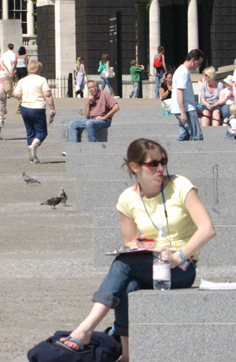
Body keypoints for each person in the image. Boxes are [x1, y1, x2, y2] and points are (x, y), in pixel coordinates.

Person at [55, 138, 215, 362]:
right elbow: (129, 241)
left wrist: (177, 257)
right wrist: (142, 244)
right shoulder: (128, 199)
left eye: (163, 162)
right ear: (134, 167)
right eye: (153, 164)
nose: (160, 168)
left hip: (181, 269)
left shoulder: (180, 186)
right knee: (127, 285)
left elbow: (208, 229)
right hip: (151, 264)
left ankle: (87, 327)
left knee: (123, 264)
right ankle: (128, 354)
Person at [13, 58, 56, 163]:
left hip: (25, 108)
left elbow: (16, 95)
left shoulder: (22, 80)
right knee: (42, 132)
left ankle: (33, 157)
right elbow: (47, 94)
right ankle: (33, 147)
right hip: (37, 108)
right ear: (39, 69)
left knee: (30, 132)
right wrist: (52, 108)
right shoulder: (41, 80)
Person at [171, 49, 204, 141]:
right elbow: (179, 92)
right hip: (186, 109)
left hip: (186, 108)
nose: (199, 66)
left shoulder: (182, 70)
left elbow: (187, 94)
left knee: (184, 135)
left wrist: (196, 108)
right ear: (193, 60)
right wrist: (183, 112)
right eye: (199, 63)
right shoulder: (183, 72)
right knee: (197, 137)